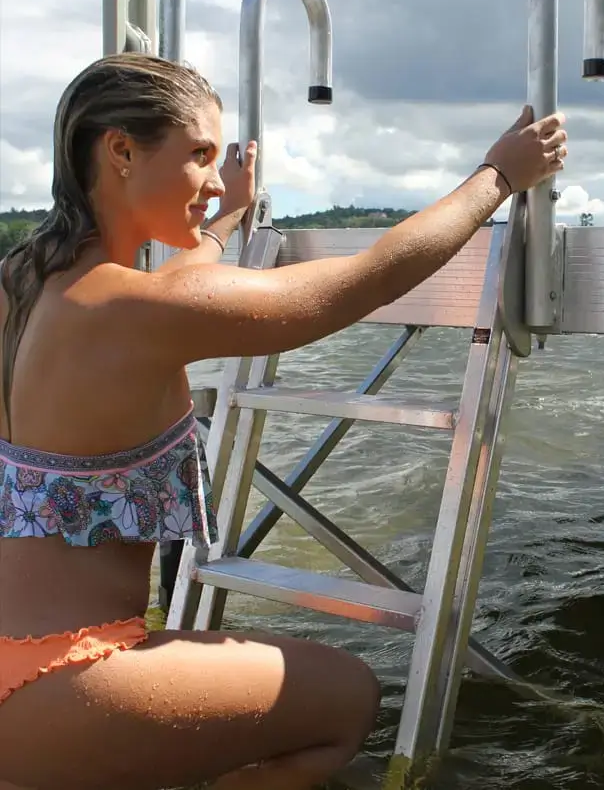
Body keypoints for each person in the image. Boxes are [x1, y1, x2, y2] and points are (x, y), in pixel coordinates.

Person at [0, 52, 570, 790]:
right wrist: (497, 176)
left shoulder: (24, 282)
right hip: (60, 674)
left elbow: (170, 291)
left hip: (24, 666)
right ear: (121, 150)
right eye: (199, 155)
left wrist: (222, 221)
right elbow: (363, 279)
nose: (213, 178)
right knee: (347, 700)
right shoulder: (142, 311)